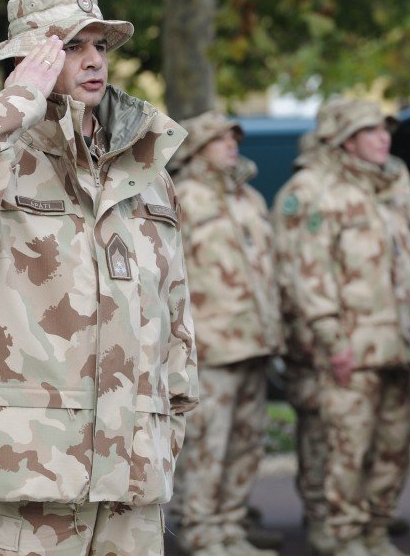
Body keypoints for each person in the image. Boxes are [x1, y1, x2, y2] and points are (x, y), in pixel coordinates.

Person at [0, 0, 199, 556]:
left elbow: (175, 313)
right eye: (68, 46)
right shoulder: (0, 162)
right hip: (34, 472)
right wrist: (17, 103)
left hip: (132, 478)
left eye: (98, 45)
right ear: (26, 60)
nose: (92, 59)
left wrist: (170, 424)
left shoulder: (144, 170)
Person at [291, 98, 410, 556]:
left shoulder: (392, 196)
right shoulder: (327, 197)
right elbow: (311, 275)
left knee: (393, 451)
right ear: (348, 141)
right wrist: (331, 338)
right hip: (352, 350)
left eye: (385, 130)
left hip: (397, 348)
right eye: (371, 131)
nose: (384, 138)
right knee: (348, 451)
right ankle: (345, 537)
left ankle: (376, 530)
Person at [171, 110, 282, 556]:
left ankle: (232, 528)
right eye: (219, 139)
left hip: (254, 340)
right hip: (211, 346)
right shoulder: (184, 198)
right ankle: (201, 529)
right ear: (198, 149)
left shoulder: (249, 199)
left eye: (233, 138)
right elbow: (167, 275)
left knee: (246, 442)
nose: (231, 145)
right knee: (207, 445)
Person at [274, 129, 334, 555]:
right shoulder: (303, 192)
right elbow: (291, 267)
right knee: (317, 428)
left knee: (341, 432)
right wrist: (302, 331)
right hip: (310, 334)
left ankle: (344, 513)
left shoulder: (337, 189)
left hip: (344, 334)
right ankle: (320, 516)